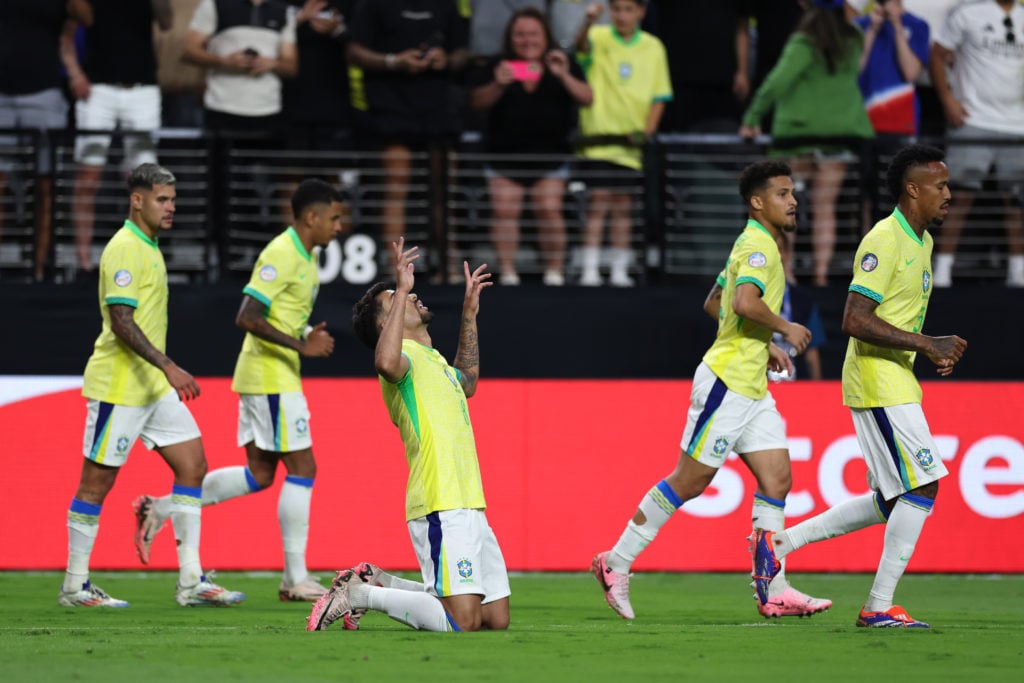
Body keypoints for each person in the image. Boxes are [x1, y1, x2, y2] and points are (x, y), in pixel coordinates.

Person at [591, 160, 831, 621]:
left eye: (793, 192)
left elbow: (714, 303)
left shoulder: (751, 243)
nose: (793, 200)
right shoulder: (760, 247)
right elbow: (742, 302)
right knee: (691, 480)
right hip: (727, 383)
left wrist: (761, 348)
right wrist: (783, 329)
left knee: (778, 478)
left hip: (751, 383)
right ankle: (614, 562)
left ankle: (774, 589)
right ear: (758, 202)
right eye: (783, 193)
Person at [751, 144, 968, 629]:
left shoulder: (922, 241)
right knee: (925, 483)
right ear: (913, 190)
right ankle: (877, 606)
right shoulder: (885, 240)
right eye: (940, 186)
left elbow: (896, 315)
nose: (948, 194)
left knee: (895, 498)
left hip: (896, 375)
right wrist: (927, 342)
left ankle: (778, 544)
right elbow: (853, 318)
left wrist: (924, 350)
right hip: (876, 377)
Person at [133, 178, 344, 602]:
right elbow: (247, 316)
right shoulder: (282, 254)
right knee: (304, 468)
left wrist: (302, 329)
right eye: (334, 218)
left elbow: (278, 314)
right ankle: (294, 578)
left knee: (260, 475)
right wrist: (302, 345)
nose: (339, 226)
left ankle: (160, 508)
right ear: (311, 216)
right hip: (269, 376)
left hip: (272, 374)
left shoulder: (307, 256)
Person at [59, 163, 244, 608]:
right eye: (162, 199)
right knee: (95, 485)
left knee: (192, 465)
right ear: (136, 199)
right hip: (119, 387)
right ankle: (74, 586)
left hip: (150, 388)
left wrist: (161, 374)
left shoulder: (149, 246)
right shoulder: (125, 249)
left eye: (173, 200)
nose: (171, 207)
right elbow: (121, 323)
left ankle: (191, 581)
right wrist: (169, 366)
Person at [308, 237, 511, 632]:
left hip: (469, 498)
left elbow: (467, 382)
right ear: (389, 322)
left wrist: (469, 314)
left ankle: (378, 581)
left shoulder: (432, 359)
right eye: (399, 299)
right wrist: (399, 289)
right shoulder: (399, 363)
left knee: (494, 618)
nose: (414, 294)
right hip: (439, 498)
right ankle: (359, 595)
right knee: (463, 621)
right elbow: (383, 361)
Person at [741, 0, 874, 287]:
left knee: (787, 205)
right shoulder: (854, 38)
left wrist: (753, 116)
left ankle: (787, 274)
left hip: (798, 134)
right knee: (825, 207)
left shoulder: (805, 40)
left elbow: (778, 80)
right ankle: (822, 276)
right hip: (839, 132)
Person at [469, 7, 593, 286]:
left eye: (534, 34)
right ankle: (509, 274)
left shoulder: (562, 61)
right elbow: (476, 102)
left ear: (545, 36)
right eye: (520, 34)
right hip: (503, 156)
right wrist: (498, 84)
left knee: (549, 208)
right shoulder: (496, 64)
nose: (528, 40)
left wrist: (563, 75)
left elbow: (587, 97)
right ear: (510, 38)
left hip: (551, 156)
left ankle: (554, 273)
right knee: (504, 211)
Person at [346, 0, 469, 272]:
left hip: (439, 106)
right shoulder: (372, 5)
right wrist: (393, 61)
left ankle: (448, 264)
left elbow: (463, 52)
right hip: (391, 104)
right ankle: (395, 270)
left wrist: (445, 59)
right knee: (396, 184)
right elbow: (353, 51)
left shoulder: (446, 5)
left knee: (444, 185)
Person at [61, 0, 174, 277]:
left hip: (142, 90)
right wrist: (75, 74)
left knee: (147, 182)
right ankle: (84, 262)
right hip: (98, 90)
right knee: (88, 175)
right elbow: (67, 35)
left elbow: (167, 21)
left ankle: (141, 258)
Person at [575, 0, 672, 287]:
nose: (622, 15)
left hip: (631, 145)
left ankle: (619, 270)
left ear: (641, 12)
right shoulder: (597, 35)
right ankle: (589, 270)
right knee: (598, 202)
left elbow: (660, 94)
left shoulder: (654, 46)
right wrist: (588, 21)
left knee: (624, 206)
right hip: (598, 140)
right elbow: (579, 49)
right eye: (616, 9)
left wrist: (647, 131)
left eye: (629, 9)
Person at [929, 0, 1024, 288]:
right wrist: (948, 102)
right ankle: (942, 271)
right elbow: (937, 55)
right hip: (973, 119)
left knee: (1017, 202)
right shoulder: (967, 13)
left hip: (1017, 125)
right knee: (957, 197)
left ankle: (1017, 273)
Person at [0, 0, 92, 281]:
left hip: (45, 92)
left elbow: (87, 17)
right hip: (1, 94)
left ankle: (39, 268)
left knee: (45, 186)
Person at [855, 0, 930, 137]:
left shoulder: (918, 25)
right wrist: (872, 30)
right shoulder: (858, 25)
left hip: (899, 119)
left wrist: (897, 25)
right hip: (860, 118)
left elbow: (911, 74)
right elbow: (854, 71)